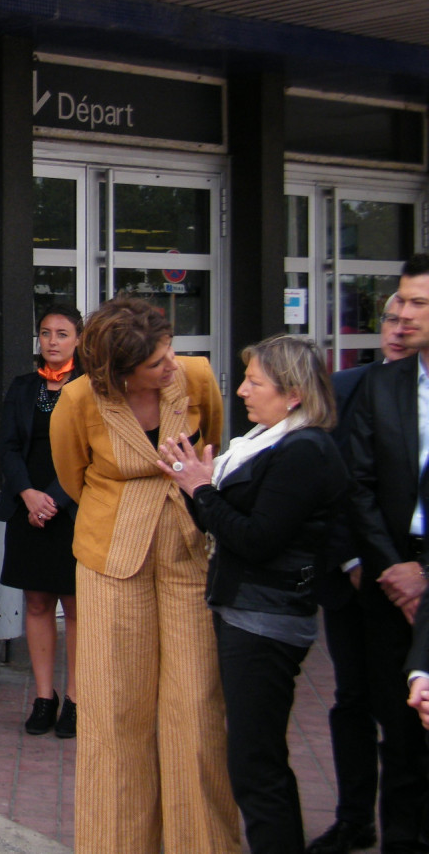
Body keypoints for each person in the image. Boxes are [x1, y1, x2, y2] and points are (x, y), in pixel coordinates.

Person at [50, 296, 239, 853]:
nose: (171, 366)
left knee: (197, 709)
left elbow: (214, 447)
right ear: (119, 371)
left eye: (170, 352)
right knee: (114, 714)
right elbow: (71, 475)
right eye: (156, 363)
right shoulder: (78, 399)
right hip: (111, 560)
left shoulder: (197, 376)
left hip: (187, 551)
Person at [159, 334, 348, 854]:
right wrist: (192, 483)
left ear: (292, 395)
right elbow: (228, 521)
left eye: (255, 382)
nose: (241, 390)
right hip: (247, 613)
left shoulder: (304, 449)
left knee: (254, 764)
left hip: (267, 622)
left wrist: (201, 488)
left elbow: (257, 539)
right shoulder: (267, 440)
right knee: (254, 757)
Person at [307, 295, 407, 854]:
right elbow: (335, 487)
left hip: (412, 582)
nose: (396, 329)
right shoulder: (345, 390)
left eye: (409, 317)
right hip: (351, 583)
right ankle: (353, 819)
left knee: (404, 710)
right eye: (389, 318)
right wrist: (350, 561)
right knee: (352, 702)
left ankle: (403, 826)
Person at [345, 253, 429, 854]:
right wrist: (395, 569)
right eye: (399, 300)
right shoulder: (383, 385)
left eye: (418, 302)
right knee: (397, 732)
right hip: (391, 578)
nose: (400, 312)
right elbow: (358, 484)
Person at [0, 303, 83, 737]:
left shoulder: (91, 388)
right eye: (46, 332)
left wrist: (53, 499)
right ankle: (44, 697)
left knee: (75, 606)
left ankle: (76, 700)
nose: (52, 340)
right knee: (36, 602)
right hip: (28, 510)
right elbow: (8, 447)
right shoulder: (24, 386)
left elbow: (93, 455)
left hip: (72, 510)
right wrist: (29, 495)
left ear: (78, 340)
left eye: (62, 333)